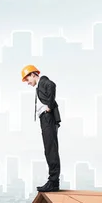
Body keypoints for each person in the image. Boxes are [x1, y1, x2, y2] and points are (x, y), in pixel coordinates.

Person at [21, 64, 61, 192]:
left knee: (51, 149)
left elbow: (52, 85)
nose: (27, 83)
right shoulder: (39, 87)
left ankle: (53, 182)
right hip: (45, 119)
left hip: (48, 117)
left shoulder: (43, 81)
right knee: (49, 149)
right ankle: (53, 182)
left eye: (27, 79)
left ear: (33, 74)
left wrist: (49, 105)